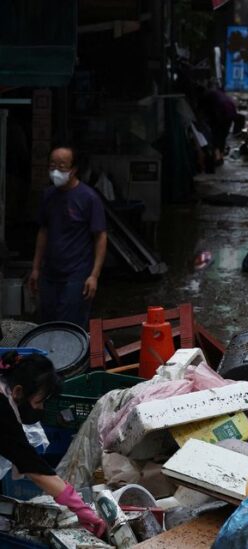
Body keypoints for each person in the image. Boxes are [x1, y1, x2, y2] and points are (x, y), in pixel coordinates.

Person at [0, 351, 106, 536]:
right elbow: (32, 466)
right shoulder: (1, 410)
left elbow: (27, 458)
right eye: (38, 402)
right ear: (18, 392)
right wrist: (81, 508)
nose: (41, 408)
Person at [29, 146, 107, 329]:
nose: (56, 171)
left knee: (70, 325)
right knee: (47, 323)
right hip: (50, 273)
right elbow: (43, 231)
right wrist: (35, 268)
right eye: (52, 165)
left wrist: (94, 275)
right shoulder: (48, 196)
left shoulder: (88, 198)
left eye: (62, 166)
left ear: (73, 169)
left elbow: (101, 237)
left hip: (77, 273)